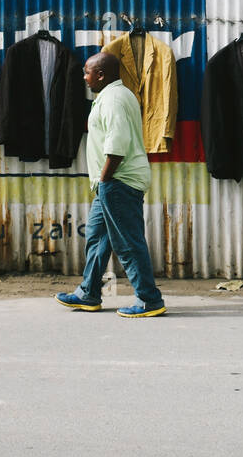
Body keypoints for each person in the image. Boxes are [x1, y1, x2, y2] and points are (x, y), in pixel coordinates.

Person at [56, 51, 166, 317]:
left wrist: (105, 179)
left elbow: (117, 144)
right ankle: (88, 294)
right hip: (109, 182)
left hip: (118, 180)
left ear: (101, 74)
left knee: (127, 242)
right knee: (97, 238)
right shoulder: (109, 96)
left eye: (87, 72)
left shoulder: (115, 98)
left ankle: (149, 300)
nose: (85, 77)